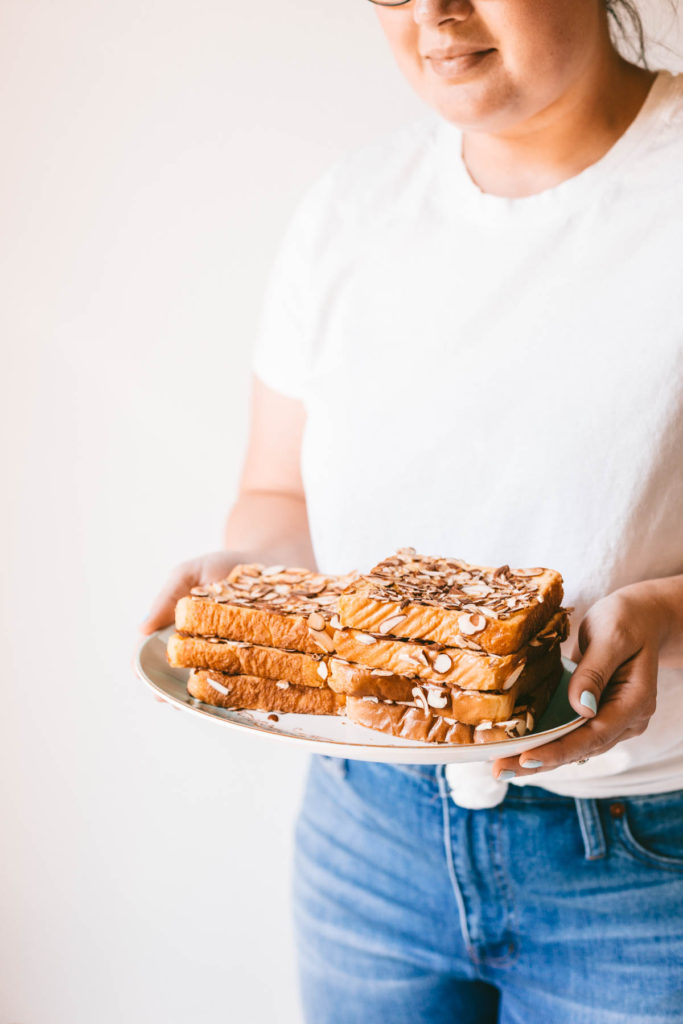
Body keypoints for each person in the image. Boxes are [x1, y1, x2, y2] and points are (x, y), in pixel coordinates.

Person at [140, 1, 683, 1020]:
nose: (434, 13)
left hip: (646, 859)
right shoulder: (350, 207)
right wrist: (248, 579)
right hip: (368, 831)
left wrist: (669, 616)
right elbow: (277, 493)